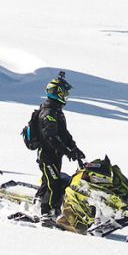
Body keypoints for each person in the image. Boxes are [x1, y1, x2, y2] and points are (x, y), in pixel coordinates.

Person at [35, 71, 85, 226]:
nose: (66, 96)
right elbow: (51, 137)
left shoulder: (57, 112)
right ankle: (46, 212)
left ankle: (52, 206)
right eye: (64, 93)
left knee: (54, 180)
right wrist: (67, 150)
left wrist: (74, 149)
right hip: (47, 154)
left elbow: (64, 134)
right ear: (57, 93)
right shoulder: (49, 112)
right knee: (53, 182)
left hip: (55, 154)